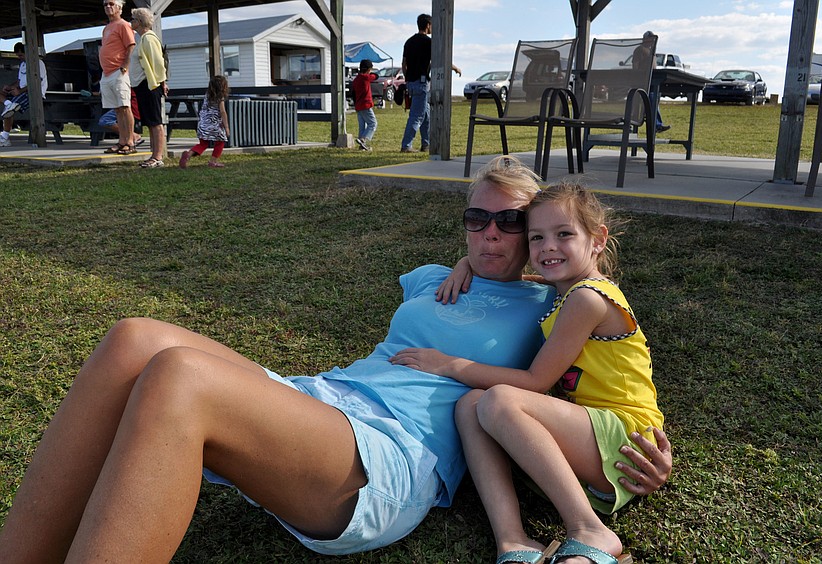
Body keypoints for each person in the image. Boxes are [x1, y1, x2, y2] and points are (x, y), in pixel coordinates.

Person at [0, 156, 670, 562]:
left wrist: (643, 449)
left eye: (511, 223)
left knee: (179, 377)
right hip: (321, 400)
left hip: (387, 457)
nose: (491, 233)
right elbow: (473, 256)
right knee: (134, 337)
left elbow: (584, 386)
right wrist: (470, 260)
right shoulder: (435, 275)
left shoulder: (551, 306)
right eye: (476, 219)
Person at [390, 177, 664, 563]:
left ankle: (590, 530)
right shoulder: (570, 289)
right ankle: (513, 540)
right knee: (470, 404)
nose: (548, 247)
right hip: (593, 437)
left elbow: (536, 382)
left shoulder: (587, 299)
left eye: (564, 234)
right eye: (536, 238)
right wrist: (467, 261)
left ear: (598, 239)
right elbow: (532, 278)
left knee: (499, 399)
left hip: (625, 436)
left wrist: (448, 363)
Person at [400, 13, 462, 153]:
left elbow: (404, 64)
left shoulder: (409, 42)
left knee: (426, 114)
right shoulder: (429, 43)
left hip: (411, 82)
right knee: (417, 116)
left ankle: (426, 144)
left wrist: (407, 78)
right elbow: (441, 59)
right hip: (422, 83)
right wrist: (455, 68)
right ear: (428, 25)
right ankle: (406, 145)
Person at [129, 7, 168, 168]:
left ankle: (158, 157)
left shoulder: (149, 39)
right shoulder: (142, 39)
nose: (131, 21)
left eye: (132, 19)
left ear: (139, 22)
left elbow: (158, 64)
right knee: (150, 121)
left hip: (150, 85)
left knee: (155, 121)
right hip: (141, 85)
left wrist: (162, 83)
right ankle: (153, 154)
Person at [100, 0, 137, 155]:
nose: (108, 7)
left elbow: (131, 45)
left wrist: (125, 66)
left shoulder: (123, 25)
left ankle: (130, 142)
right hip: (106, 73)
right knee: (117, 109)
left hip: (119, 72)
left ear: (120, 8)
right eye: (105, 5)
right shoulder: (107, 28)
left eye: (111, 3)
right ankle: (122, 141)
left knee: (124, 106)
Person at [0, 42, 48, 148]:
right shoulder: (22, 64)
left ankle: (5, 136)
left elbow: (36, 81)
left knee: (10, 109)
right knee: (5, 99)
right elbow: (19, 81)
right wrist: (10, 87)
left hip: (33, 93)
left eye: (21, 55)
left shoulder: (38, 63)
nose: (19, 58)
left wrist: (20, 91)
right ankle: (8, 103)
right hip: (21, 91)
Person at [179, 75, 230, 169]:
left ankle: (188, 154)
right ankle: (213, 161)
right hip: (214, 124)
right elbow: (222, 112)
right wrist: (226, 127)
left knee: (203, 144)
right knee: (221, 141)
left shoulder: (207, 95)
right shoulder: (220, 97)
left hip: (203, 123)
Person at [632, 31, 669, 134]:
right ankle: (657, 125)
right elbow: (635, 65)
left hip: (652, 81)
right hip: (643, 82)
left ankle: (654, 122)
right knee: (652, 98)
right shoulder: (640, 49)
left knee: (655, 97)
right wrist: (637, 78)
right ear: (645, 39)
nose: (652, 41)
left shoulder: (651, 51)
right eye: (650, 38)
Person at [352, 58, 378, 151]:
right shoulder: (366, 77)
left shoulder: (356, 80)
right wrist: (371, 73)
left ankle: (361, 146)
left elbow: (353, 94)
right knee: (373, 124)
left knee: (362, 126)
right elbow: (376, 76)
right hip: (366, 105)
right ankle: (363, 139)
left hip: (358, 105)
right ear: (368, 69)